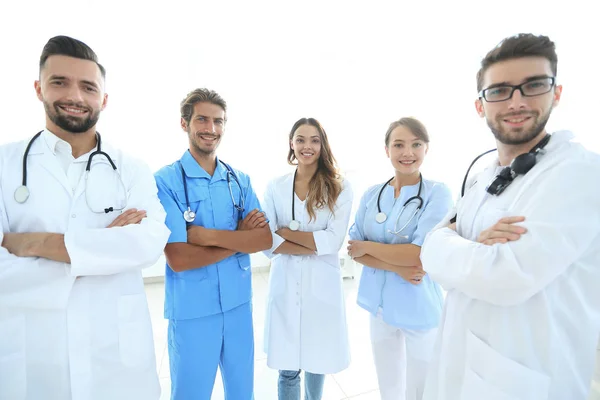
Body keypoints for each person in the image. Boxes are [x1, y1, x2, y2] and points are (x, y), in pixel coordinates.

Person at [420, 33, 600, 400]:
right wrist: (462, 246)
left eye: (533, 85)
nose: (516, 101)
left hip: (527, 379)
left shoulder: (580, 173)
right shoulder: (484, 175)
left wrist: (441, 244)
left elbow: (504, 277)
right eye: (500, 90)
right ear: (480, 105)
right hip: (461, 367)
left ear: (557, 93)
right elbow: (442, 244)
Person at [0, 35, 170, 400]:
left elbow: (148, 242)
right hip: (35, 364)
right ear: (38, 88)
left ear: (103, 99)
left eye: (88, 87)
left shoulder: (132, 169)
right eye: (60, 82)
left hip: (117, 368)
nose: (75, 97)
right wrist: (103, 251)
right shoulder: (4, 165)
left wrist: (35, 244)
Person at [155, 88, 272, 400]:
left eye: (218, 121)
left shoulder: (239, 179)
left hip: (238, 306)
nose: (211, 129)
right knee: (191, 394)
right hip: (193, 312)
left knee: (242, 392)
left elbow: (262, 238)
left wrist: (206, 237)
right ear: (184, 123)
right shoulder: (166, 181)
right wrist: (238, 239)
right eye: (202, 120)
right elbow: (178, 257)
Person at [347, 117, 453, 400]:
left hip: (417, 305)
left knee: (422, 389)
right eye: (399, 145)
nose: (408, 152)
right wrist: (397, 265)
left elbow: (419, 255)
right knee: (389, 386)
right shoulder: (372, 194)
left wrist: (369, 247)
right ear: (387, 150)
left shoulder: (437, 193)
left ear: (426, 148)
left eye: (416, 144)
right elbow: (354, 250)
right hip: (378, 305)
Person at [262, 117, 353, 400]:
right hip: (286, 284)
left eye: (314, 140)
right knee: (287, 368)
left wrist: (286, 234)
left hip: (321, 285)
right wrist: (312, 243)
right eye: (300, 139)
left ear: (322, 144)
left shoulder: (339, 186)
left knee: (318, 360)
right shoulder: (276, 186)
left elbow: (333, 241)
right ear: (291, 143)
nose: (307, 146)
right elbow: (267, 241)